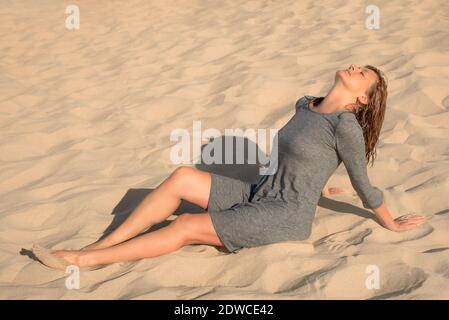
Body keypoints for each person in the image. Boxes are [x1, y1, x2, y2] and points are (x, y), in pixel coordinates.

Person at [32, 64, 426, 270]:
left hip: (284, 215)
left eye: (363, 76)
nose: (355, 67)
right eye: (358, 65)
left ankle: (84, 260)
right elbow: (300, 154)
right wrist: (320, 185)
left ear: (361, 100)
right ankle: (100, 244)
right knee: (183, 176)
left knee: (184, 226)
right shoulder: (306, 104)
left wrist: (390, 222)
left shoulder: (345, 127)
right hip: (259, 190)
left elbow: (362, 182)